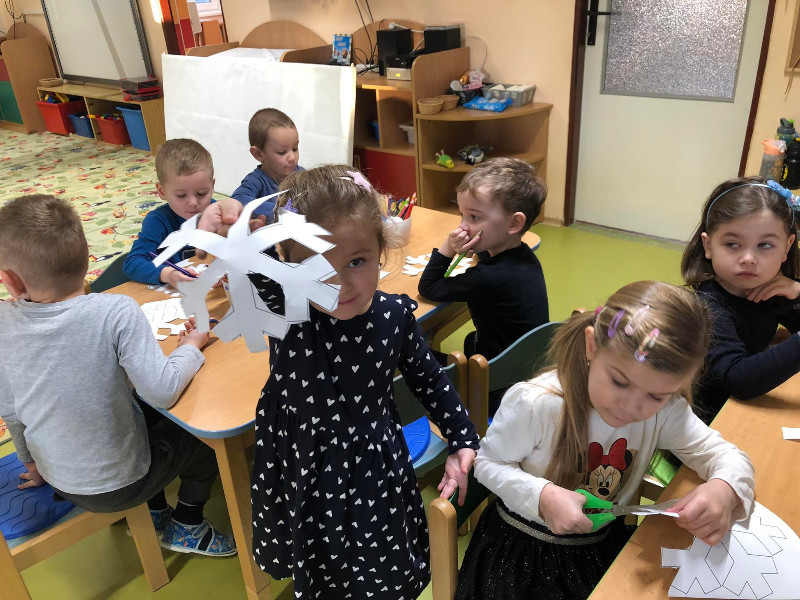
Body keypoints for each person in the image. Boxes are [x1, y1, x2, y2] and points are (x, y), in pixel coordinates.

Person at [201, 165, 480, 598]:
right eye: (317, 268)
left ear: (381, 249)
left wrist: (463, 438)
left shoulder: (394, 316)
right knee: (317, 566)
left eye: (357, 261)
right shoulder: (287, 308)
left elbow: (431, 381)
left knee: (376, 571)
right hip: (299, 462)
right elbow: (241, 259)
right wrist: (224, 224)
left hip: (370, 470)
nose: (341, 285)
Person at [455, 281, 755, 600]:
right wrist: (541, 496)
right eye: (619, 382)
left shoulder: (665, 412)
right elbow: (487, 463)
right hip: (521, 554)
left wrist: (724, 489)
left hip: (599, 546)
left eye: (656, 395)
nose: (632, 407)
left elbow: (727, 456)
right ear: (591, 347)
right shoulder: (537, 404)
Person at [0, 194, 236, 557]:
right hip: (121, 483)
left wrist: (31, 463)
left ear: (10, 282)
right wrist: (192, 345)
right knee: (202, 431)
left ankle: (155, 511)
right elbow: (163, 391)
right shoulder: (115, 311)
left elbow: (11, 411)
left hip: (55, 476)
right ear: (86, 257)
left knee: (137, 409)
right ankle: (188, 523)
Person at [418, 157, 549, 415]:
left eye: (474, 217)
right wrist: (477, 246)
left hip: (497, 390)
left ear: (514, 223)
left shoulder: (487, 278)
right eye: (462, 215)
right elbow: (489, 261)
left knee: (411, 353)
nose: (462, 226)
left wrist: (447, 249)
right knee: (470, 341)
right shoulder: (523, 256)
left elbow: (429, 287)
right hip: (525, 370)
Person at [681, 176, 800, 424]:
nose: (748, 258)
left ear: (787, 247)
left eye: (764, 245)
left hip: (748, 408)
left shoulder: (770, 287)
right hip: (708, 423)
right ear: (708, 245)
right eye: (733, 244)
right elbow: (738, 379)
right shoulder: (707, 306)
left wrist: (797, 292)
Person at [123, 138, 216, 286]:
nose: (193, 202)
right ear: (162, 191)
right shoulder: (158, 221)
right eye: (181, 195)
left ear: (212, 186)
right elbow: (133, 263)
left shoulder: (216, 212)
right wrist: (167, 274)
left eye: (201, 193)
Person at [231, 108, 303, 220]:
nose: (292, 158)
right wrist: (277, 210)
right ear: (258, 154)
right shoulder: (256, 180)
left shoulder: (301, 175)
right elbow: (237, 200)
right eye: (282, 152)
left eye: (295, 148)